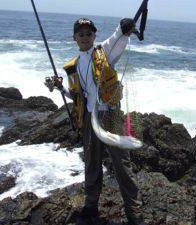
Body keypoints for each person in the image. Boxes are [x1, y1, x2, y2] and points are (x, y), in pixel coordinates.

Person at [49, 17, 145, 225]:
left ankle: (134, 214)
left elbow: (117, 39)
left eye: (89, 33)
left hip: (110, 117)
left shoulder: (104, 52)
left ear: (94, 36)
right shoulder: (74, 65)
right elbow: (77, 97)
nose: (85, 37)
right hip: (89, 119)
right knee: (91, 166)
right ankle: (90, 206)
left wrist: (124, 27)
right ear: (74, 38)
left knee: (122, 166)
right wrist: (60, 88)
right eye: (80, 34)